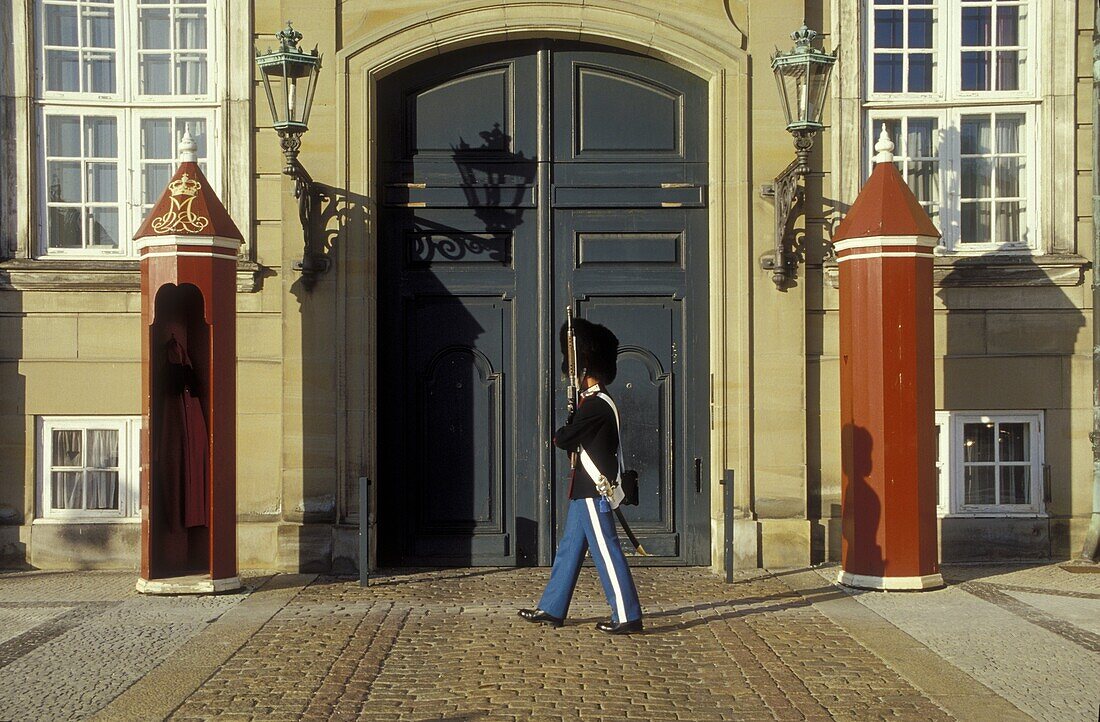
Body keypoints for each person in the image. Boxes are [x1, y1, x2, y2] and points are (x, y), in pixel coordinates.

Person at [518, 318, 643, 634]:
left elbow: (562, 439)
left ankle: (628, 615)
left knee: (606, 550)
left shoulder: (595, 405)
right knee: (570, 547)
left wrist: (570, 419)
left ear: (587, 370)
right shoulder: (596, 402)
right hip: (584, 488)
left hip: (593, 488)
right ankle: (552, 607)